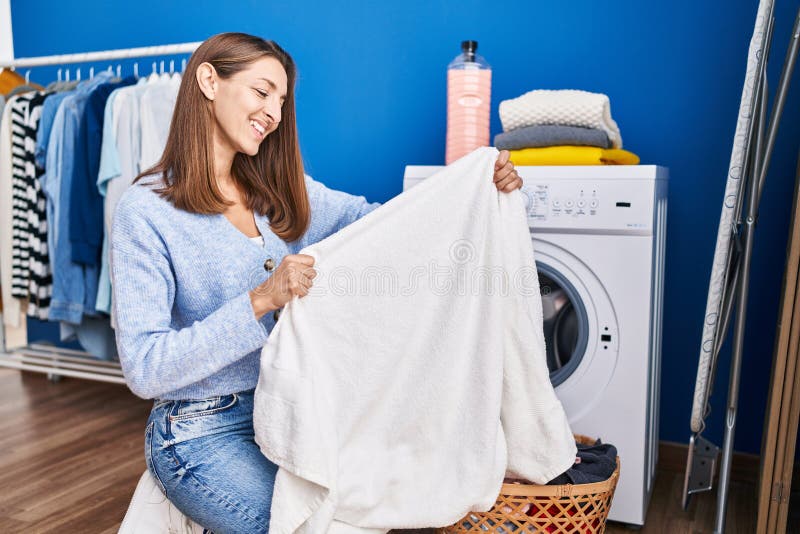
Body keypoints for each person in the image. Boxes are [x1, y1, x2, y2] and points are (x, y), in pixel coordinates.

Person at [110, 32, 523, 534]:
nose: (274, 114)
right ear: (208, 80)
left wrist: (474, 187)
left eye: (281, 102)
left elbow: (386, 224)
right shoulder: (146, 211)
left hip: (290, 413)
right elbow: (145, 368)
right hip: (198, 433)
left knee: (376, 510)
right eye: (262, 92)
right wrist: (261, 300)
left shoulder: (280, 191)